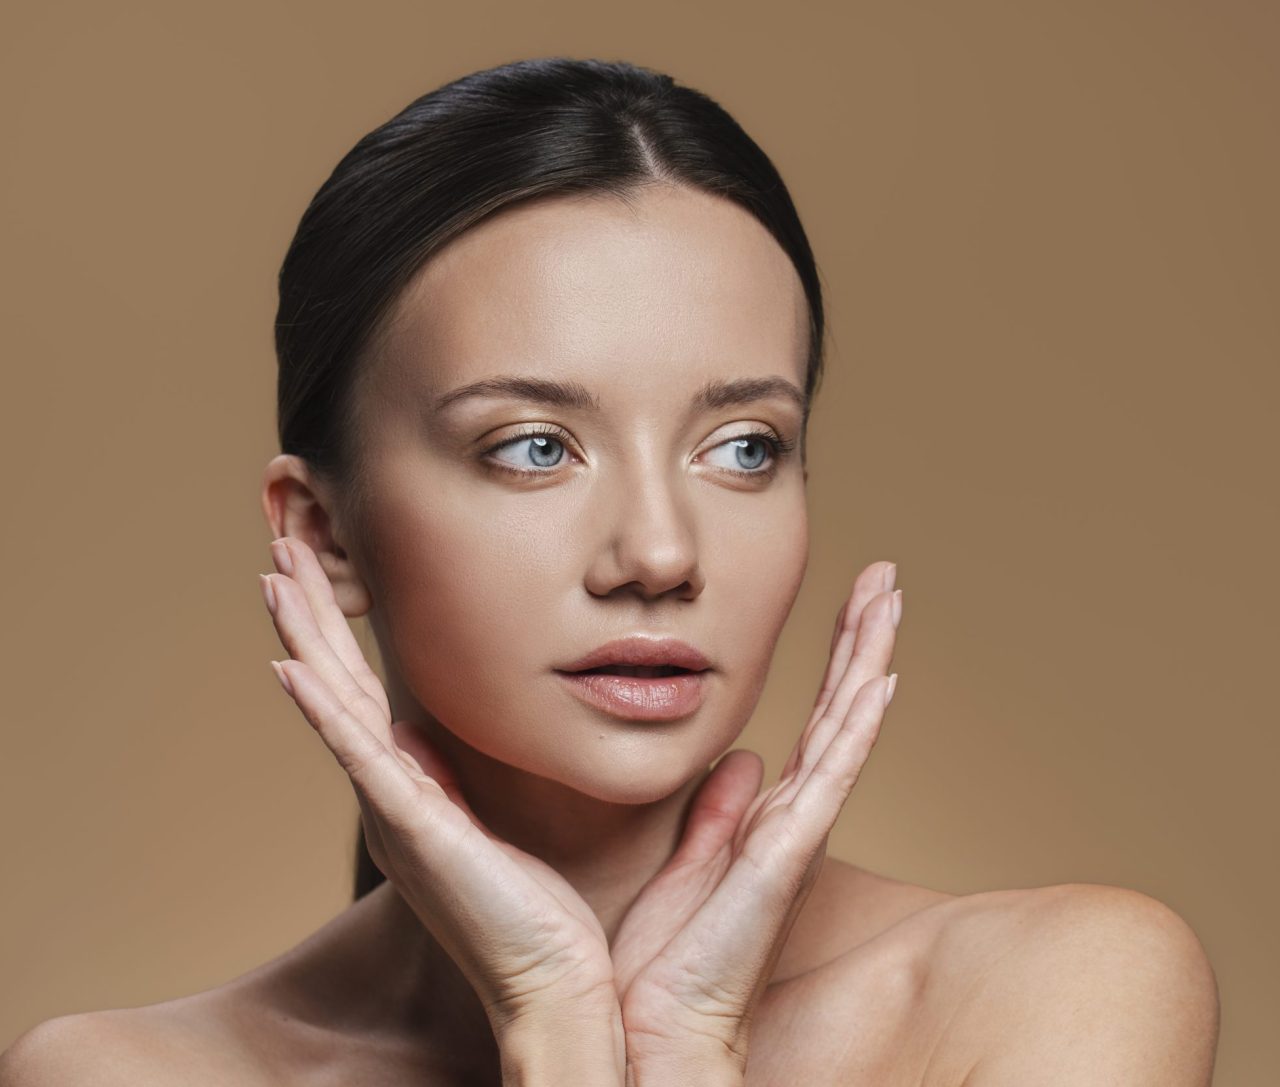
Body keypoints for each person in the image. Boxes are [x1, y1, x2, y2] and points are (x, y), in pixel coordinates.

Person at [1, 56, 1219, 1086]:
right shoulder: (127, 1074)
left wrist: (685, 1044)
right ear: (320, 533)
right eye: (534, 446)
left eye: (743, 447)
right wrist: (554, 1019)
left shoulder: (1046, 998)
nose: (660, 553)